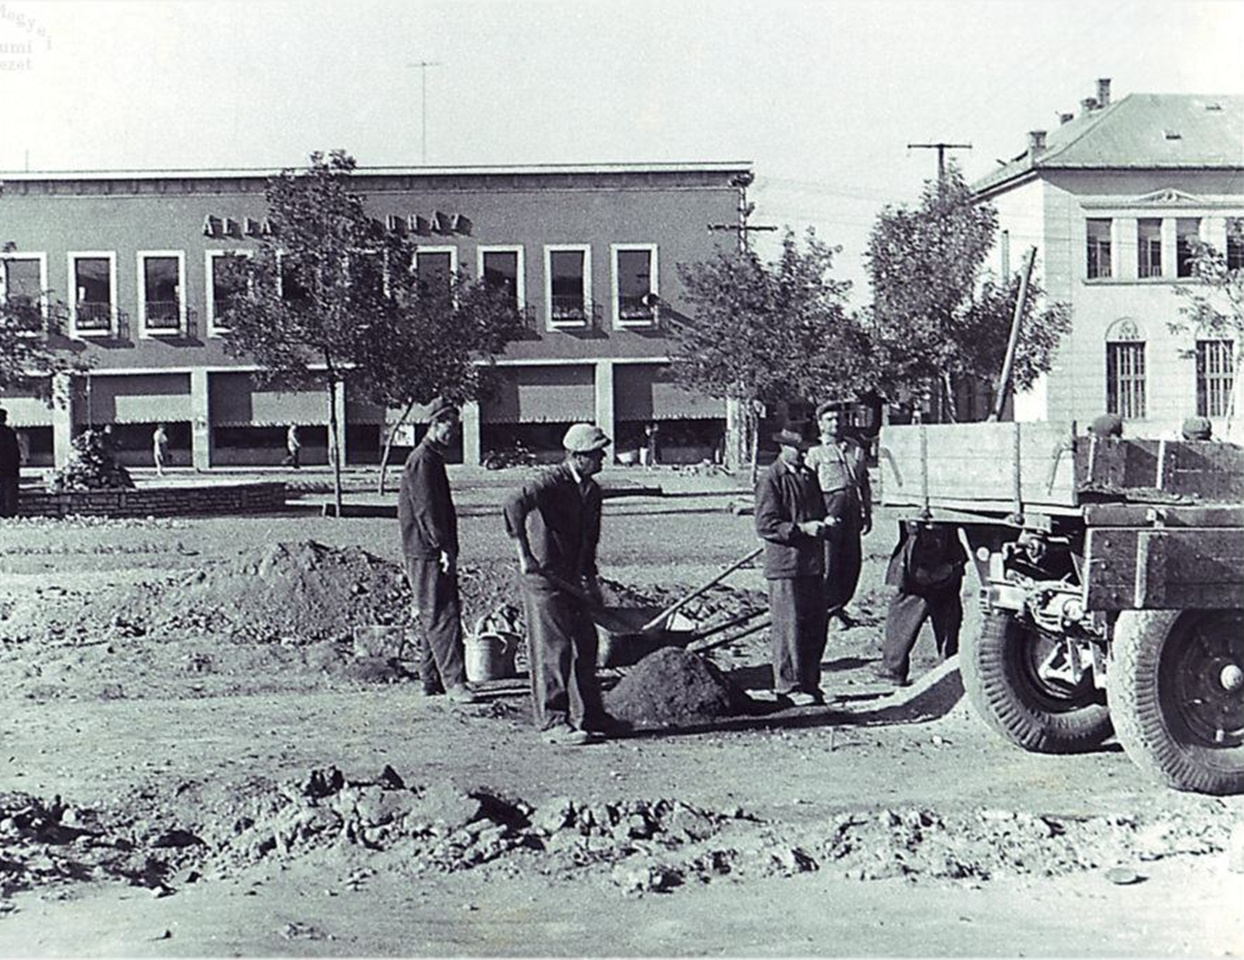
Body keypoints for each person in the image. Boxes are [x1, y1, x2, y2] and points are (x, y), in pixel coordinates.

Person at [503, 422, 612, 746]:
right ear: (578, 457)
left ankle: (589, 715)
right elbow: (512, 505)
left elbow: (589, 539)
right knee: (554, 648)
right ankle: (552, 721)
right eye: (596, 454)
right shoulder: (550, 482)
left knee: (586, 643)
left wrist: (591, 580)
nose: (602, 458)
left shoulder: (592, 490)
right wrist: (524, 553)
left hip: (571, 578)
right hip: (543, 579)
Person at [398, 397, 477, 703]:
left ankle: (430, 678)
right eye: (450, 426)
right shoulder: (423, 460)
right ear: (435, 424)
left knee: (433, 613)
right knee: (443, 613)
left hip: (428, 547)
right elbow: (427, 510)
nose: (453, 433)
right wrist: (442, 546)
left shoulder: (431, 457)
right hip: (427, 549)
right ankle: (455, 682)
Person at [754, 427, 835, 707]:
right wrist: (802, 529)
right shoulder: (771, 479)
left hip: (811, 564)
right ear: (783, 448)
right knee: (788, 629)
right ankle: (787, 687)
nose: (803, 454)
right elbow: (766, 525)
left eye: (806, 449)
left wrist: (827, 522)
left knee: (814, 626)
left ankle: (811, 684)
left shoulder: (808, 475)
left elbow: (819, 511)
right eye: (798, 450)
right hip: (785, 566)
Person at [873, 519, 968, 687]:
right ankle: (896, 668)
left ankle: (947, 665)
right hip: (926, 540)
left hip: (937, 538)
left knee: (942, 603)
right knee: (917, 599)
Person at [805, 401, 872, 629]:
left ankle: (841, 606)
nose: (835, 423)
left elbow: (864, 483)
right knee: (829, 562)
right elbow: (808, 489)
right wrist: (816, 517)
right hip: (829, 509)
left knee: (851, 562)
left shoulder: (854, 448)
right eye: (830, 419)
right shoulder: (815, 453)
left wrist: (868, 513)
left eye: (838, 418)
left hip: (852, 510)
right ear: (820, 424)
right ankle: (827, 611)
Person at [0, 408, 22, 518]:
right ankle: (10, 512)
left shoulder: (10, 432)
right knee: (10, 491)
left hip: (5, 466)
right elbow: (15, 450)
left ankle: (3, 511)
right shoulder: (10, 432)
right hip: (10, 467)